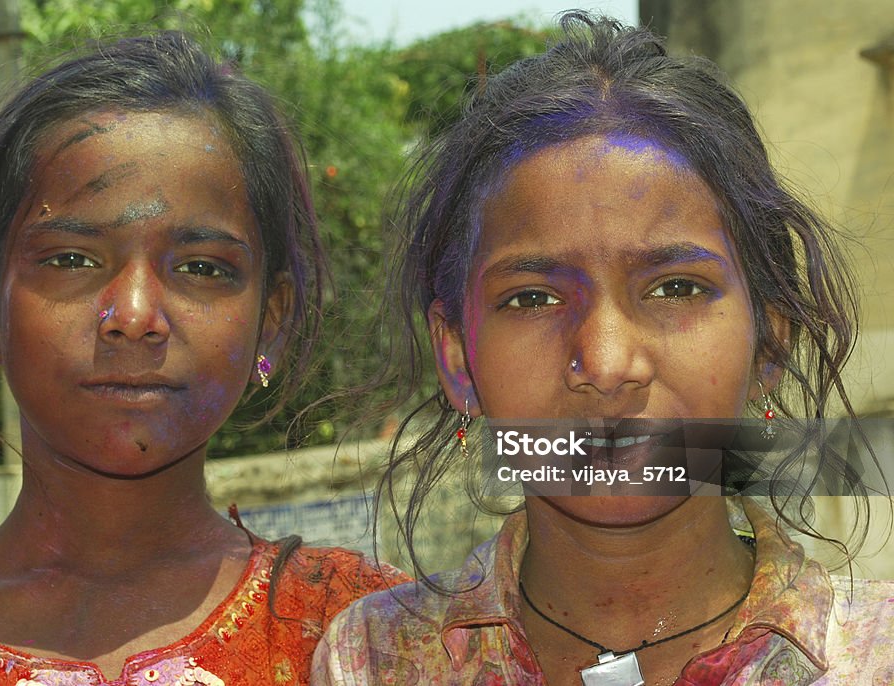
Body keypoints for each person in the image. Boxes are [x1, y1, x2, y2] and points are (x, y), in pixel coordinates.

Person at [312, 12, 894, 686]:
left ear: (769, 339)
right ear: (456, 357)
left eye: (676, 287)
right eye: (532, 298)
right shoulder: (373, 662)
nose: (609, 364)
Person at [0, 32, 405, 686]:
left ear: (271, 320)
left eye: (202, 267)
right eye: (71, 260)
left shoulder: (369, 639)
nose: (132, 316)